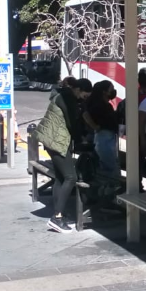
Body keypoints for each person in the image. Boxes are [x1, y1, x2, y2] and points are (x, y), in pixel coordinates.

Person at [37, 77, 92, 233]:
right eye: (85, 95)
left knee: (61, 177)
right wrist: (81, 139)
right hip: (57, 141)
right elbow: (71, 124)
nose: (84, 99)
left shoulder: (62, 95)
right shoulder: (68, 99)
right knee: (71, 177)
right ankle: (57, 217)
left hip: (51, 140)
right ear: (78, 90)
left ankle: (59, 213)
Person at [83, 80, 121, 184]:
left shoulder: (101, 104)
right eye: (111, 89)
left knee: (105, 164)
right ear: (104, 92)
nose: (113, 92)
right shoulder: (100, 106)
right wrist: (95, 127)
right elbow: (86, 115)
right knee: (109, 165)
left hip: (106, 137)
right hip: (104, 137)